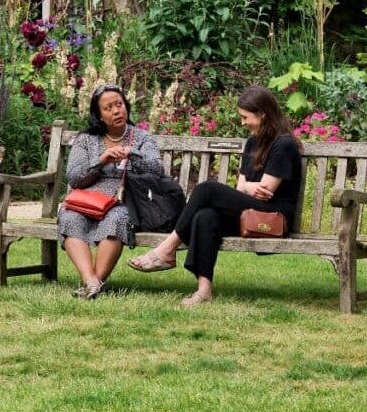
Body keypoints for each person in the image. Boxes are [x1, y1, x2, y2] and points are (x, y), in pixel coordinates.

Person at [127, 85, 303, 307]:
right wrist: (248, 187)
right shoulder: (253, 141)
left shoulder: (284, 144)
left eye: (245, 117)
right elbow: (242, 185)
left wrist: (247, 187)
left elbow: (266, 191)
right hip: (251, 212)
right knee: (206, 216)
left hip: (273, 217)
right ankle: (203, 291)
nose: (242, 122)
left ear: (263, 114)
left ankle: (167, 248)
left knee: (207, 189)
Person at [58, 84, 163, 299]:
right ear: (99, 115)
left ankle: (93, 285)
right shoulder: (86, 139)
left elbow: (157, 168)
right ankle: (91, 282)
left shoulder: (141, 138)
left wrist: (131, 154)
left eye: (119, 104)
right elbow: (74, 177)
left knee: (117, 219)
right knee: (69, 217)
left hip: (122, 201)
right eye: (108, 108)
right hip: (86, 200)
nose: (116, 111)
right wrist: (100, 161)